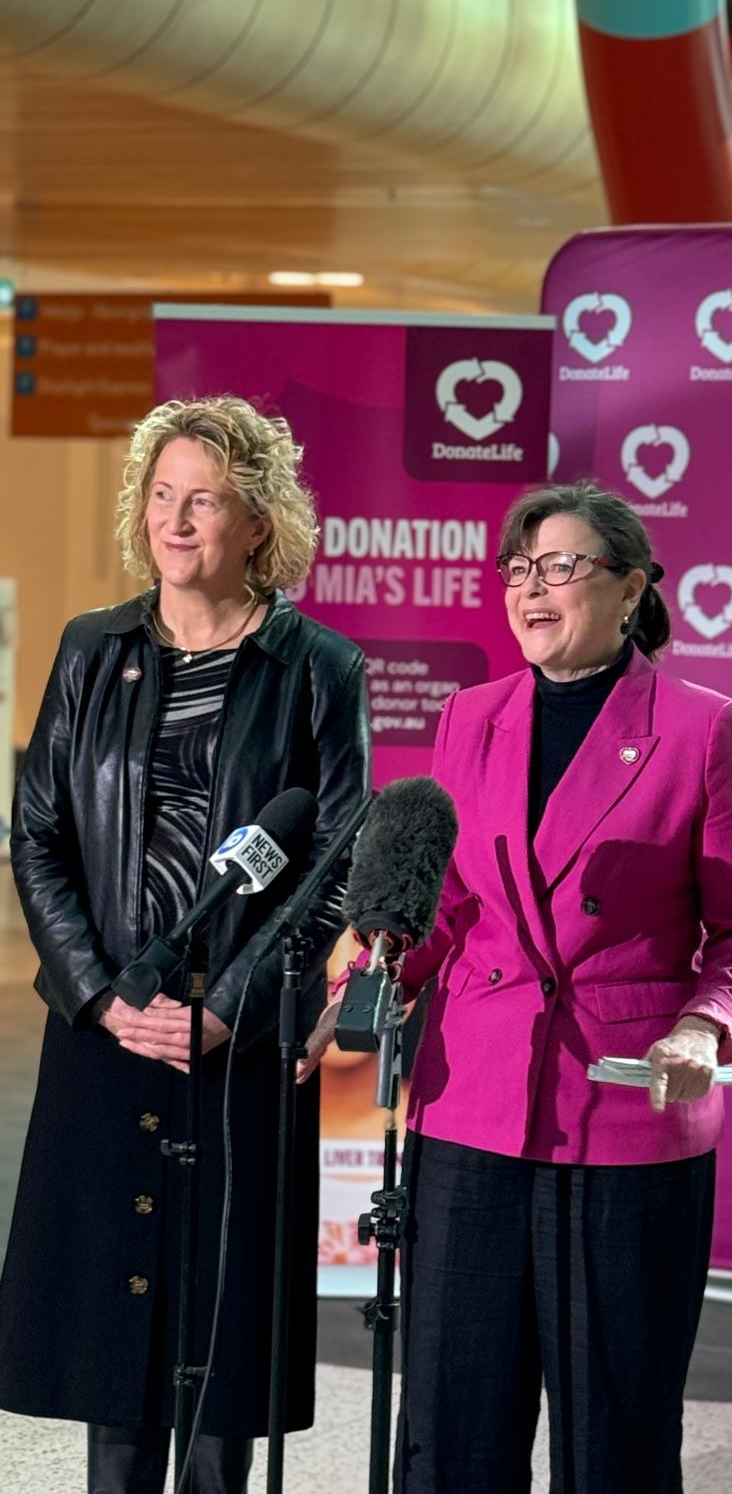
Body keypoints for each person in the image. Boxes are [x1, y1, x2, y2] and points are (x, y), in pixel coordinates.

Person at [304, 480, 732, 1493]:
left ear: (633, 587)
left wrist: (706, 1026)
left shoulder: (705, 729)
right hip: (468, 1107)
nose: (534, 587)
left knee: (613, 1426)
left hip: (621, 1112)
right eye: (521, 569)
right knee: (451, 1418)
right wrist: (376, 967)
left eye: (563, 566)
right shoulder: (472, 714)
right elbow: (450, 904)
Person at [0, 397, 370, 1494]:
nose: (176, 518)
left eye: (202, 499)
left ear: (257, 520)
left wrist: (235, 1005)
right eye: (162, 495)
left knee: (222, 1361)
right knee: (110, 1365)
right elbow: (38, 834)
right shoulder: (88, 648)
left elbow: (337, 853)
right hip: (107, 1031)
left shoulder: (319, 667)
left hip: (239, 1046)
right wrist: (102, 997)